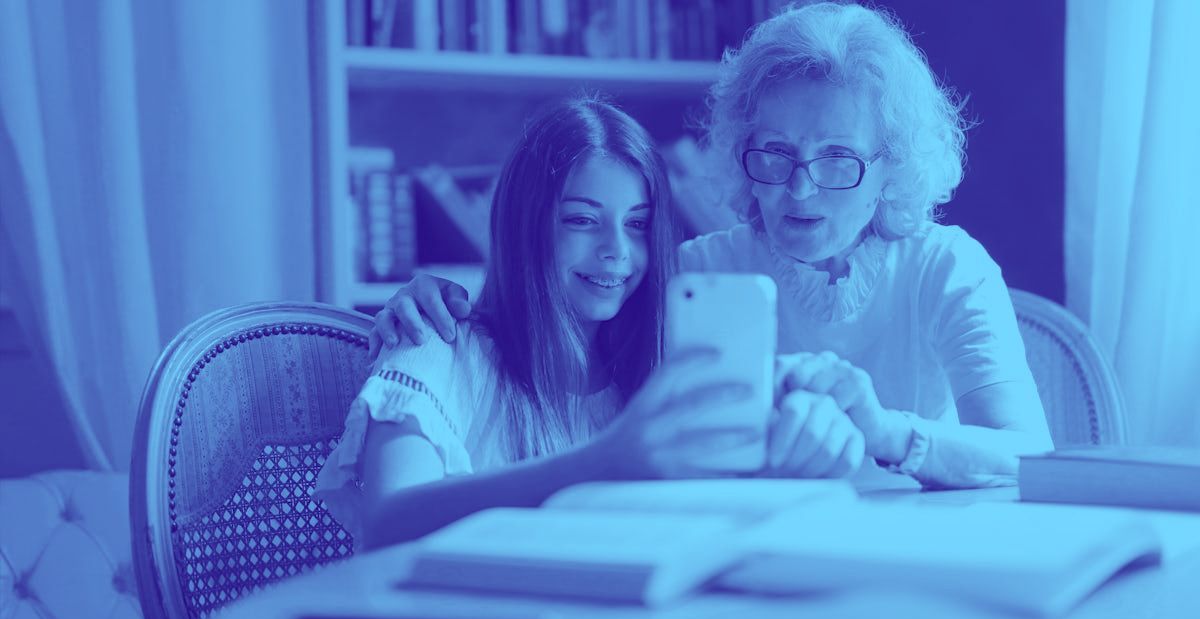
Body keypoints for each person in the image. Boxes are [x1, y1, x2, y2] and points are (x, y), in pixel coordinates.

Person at [372, 3, 1055, 489]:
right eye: (775, 153)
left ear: (890, 168)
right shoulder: (693, 273)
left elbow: (1031, 455)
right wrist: (436, 298)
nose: (800, 188)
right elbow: (559, 320)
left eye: (838, 159)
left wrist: (887, 432)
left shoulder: (947, 266)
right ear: (740, 151)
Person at [315, 96, 862, 550]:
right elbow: (387, 523)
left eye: (638, 225)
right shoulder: (437, 344)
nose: (616, 252)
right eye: (582, 220)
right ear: (525, 225)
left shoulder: (654, 372)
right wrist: (602, 462)